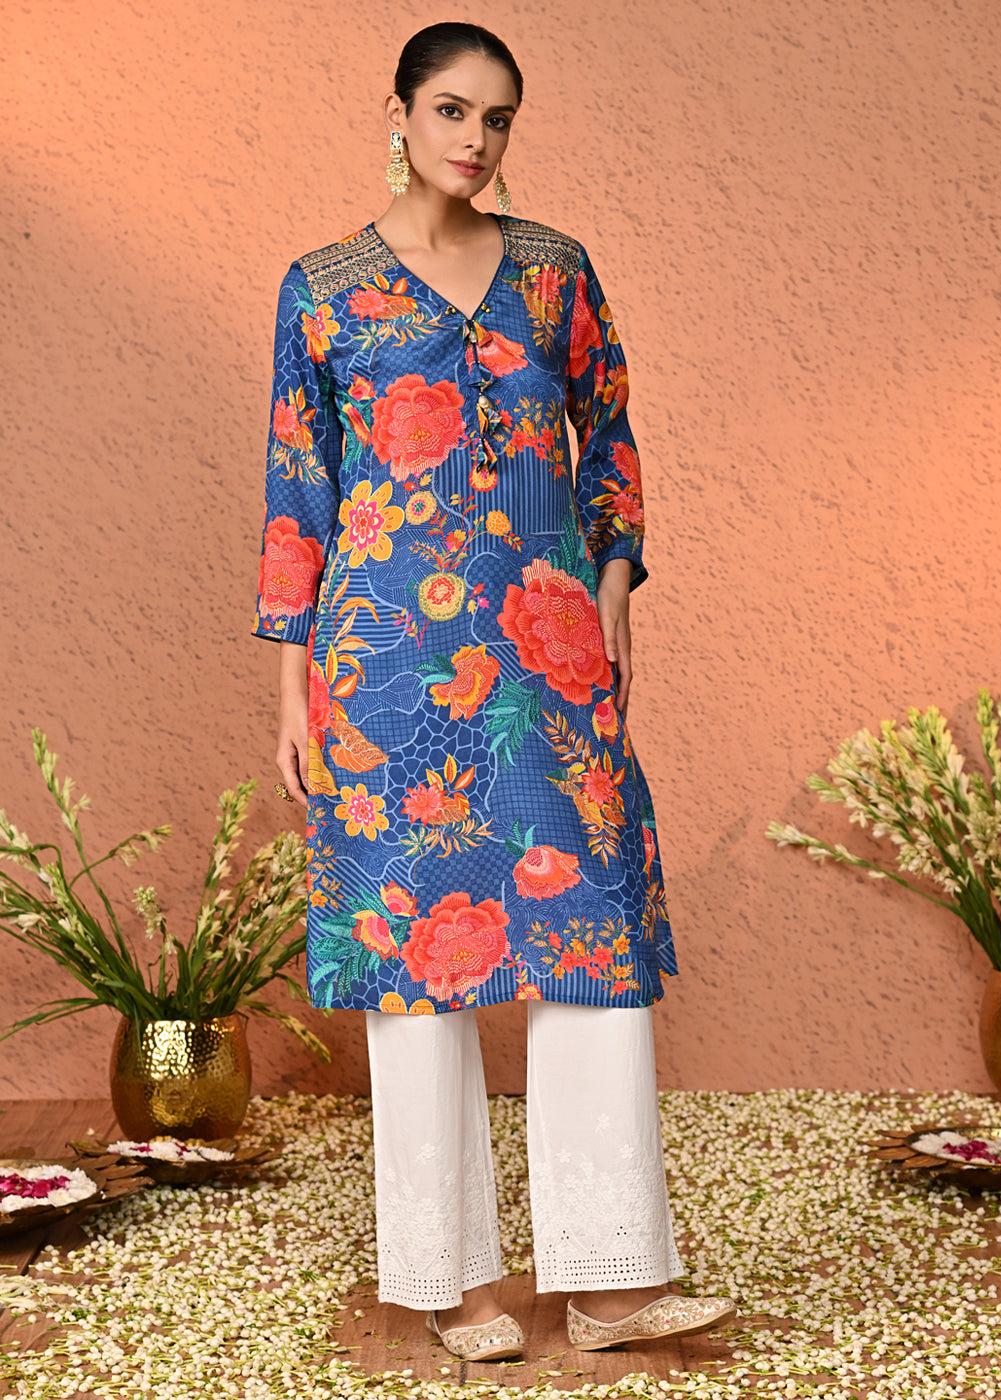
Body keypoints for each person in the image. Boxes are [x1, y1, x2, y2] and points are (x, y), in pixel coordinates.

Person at [254, 20, 736, 1362]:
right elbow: (299, 491)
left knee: (586, 937)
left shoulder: (554, 273)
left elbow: (609, 434)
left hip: (547, 648)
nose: (475, 138)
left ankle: (611, 1279)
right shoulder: (324, 289)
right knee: (418, 956)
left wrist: (614, 584)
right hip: (380, 661)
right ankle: (451, 1283)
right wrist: (292, 690)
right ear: (399, 113)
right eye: (452, 110)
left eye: (499, 117)